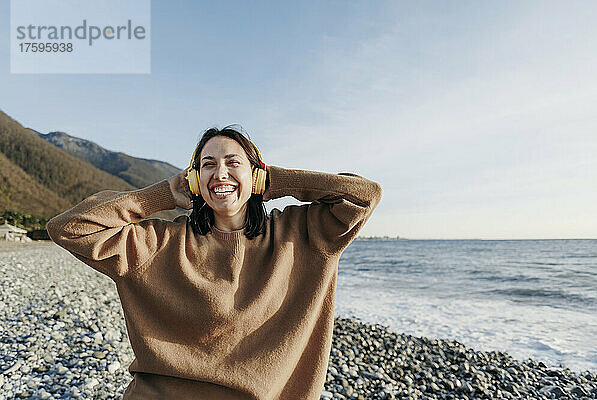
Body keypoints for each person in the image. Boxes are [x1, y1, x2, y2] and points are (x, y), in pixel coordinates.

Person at [46, 125, 382, 400]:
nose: (220, 173)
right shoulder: (158, 243)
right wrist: (162, 194)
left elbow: (364, 194)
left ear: (257, 176)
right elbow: (69, 227)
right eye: (208, 165)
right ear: (193, 180)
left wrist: (276, 180)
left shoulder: (305, 234)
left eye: (233, 162)